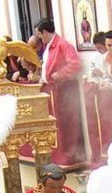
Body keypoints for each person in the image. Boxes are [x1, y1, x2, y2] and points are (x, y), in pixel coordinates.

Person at [36, 18, 86, 166]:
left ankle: (68, 155)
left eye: (39, 34)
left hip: (63, 89)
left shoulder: (63, 45)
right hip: (52, 88)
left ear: (45, 32)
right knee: (53, 122)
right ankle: (57, 155)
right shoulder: (49, 46)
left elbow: (75, 64)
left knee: (65, 123)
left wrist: (59, 74)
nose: (39, 38)